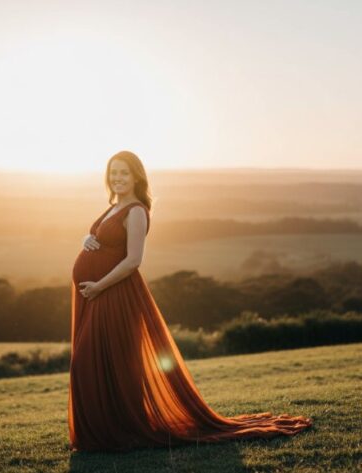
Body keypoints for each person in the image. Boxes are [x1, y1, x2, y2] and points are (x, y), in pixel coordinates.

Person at [68, 150, 313, 452]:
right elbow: (103, 239)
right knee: (92, 362)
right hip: (95, 294)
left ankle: (118, 431)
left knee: (99, 362)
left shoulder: (135, 211)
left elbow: (133, 260)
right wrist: (86, 240)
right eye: (113, 173)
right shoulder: (113, 207)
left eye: (124, 173)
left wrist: (99, 286)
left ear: (136, 177)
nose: (117, 178)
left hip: (113, 295)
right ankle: (105, 432)